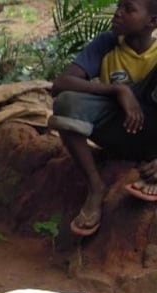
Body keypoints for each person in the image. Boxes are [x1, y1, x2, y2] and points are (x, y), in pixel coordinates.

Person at [49, 0, 157, 237]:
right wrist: (119, 91)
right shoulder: (106, 43)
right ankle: (95, 186)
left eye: (129, 9)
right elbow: (61, 84)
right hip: (116, 131)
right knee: (66, 103)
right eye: (119, 6)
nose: (118, 13)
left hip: (152, 135)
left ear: (152, 22)